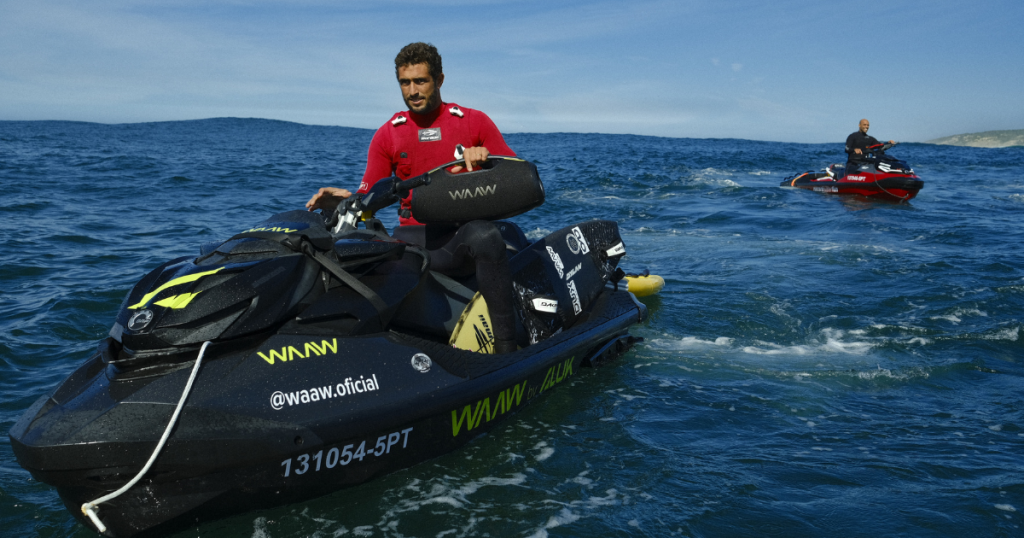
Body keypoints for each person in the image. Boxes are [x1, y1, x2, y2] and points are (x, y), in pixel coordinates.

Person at [306, 42, 518, 354]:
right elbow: (369, 198)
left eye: (421, 81)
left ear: (439, 80)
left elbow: (516, 177)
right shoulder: (389, 134)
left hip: (461, 238)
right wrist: (342, 203)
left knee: (485, 235)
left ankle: (507, 352)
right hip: (414, 240)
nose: (413, 91)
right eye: (405, 83)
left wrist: (487, 161)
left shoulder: (473, 122)